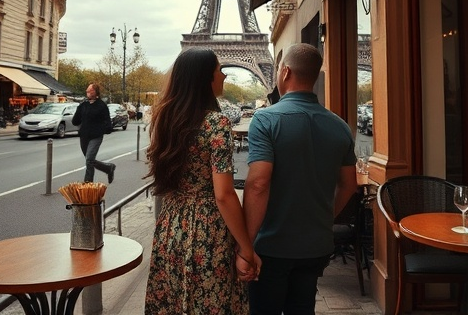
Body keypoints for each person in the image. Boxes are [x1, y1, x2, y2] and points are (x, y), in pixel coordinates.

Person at [243, 43, 357, 315]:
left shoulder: (265, 120)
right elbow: (349, 184)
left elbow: (258, 184)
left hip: (272, 244)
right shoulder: (340, 125)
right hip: (316, 244)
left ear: (284, 72)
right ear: (315, 76)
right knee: (302, 308)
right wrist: (325, 218)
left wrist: (245, 244)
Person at [144, 48, 260, 314]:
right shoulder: (216, 124)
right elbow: (224, 195)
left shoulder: (165, 119)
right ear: (205, 77)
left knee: (173, 299)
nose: (225, 75)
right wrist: (246, 248)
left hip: (171, 225)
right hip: (208, 230)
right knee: (212, 302)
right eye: (220, 70)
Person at [72, 83, 115, 183]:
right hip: (84, 136)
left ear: (95, 92)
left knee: (89, 159)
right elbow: (75, 121)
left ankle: (88, 184)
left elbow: (108, 123)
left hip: (96, 136)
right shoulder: (83, 105)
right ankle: (108, 168)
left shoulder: (101, 106)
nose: (87, 92)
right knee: (90, 161)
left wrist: (102, 129)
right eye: (87, 91)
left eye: (89, 91)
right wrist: (79, 111)